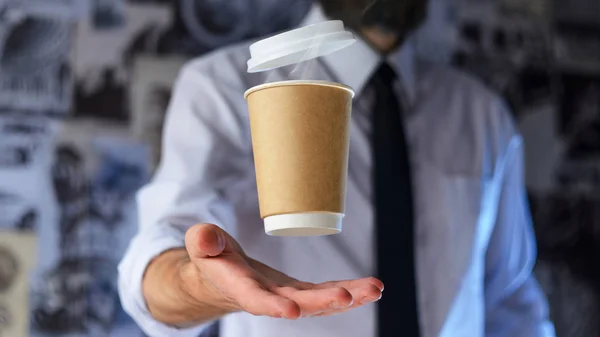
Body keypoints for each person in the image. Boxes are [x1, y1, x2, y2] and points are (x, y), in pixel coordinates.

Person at [118, 1, 556, 336]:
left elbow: (509, 298)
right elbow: (159, 255)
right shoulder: (225, 88)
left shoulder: (481, 115)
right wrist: (202, 283)